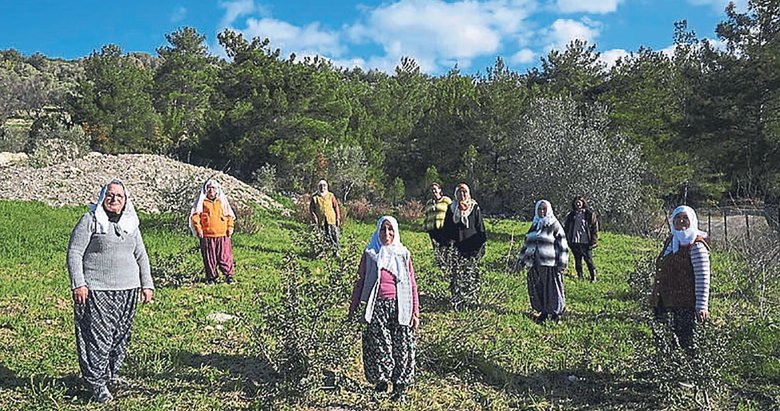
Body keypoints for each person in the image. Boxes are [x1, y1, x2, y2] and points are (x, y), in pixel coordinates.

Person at [66, 179, 154, 403]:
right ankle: (96, 384)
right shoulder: (90, 220)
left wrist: (147, 284)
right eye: (110, 195)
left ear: (125, 200)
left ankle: (110, 376)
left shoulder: (131, 223)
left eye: (119, 196)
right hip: (97, 290)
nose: (115, 199)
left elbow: (141, 255)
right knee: (98, 337)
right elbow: (74, 252)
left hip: (128, 289)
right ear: (102, 197)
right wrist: (78, 283)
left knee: (120, 337)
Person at [349, 216, 419, 402]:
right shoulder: (371, 254)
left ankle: (399, 388)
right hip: (376, 307)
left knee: (402, 347)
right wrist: (353, 309)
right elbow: (359, 282)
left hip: (401, 306)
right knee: (380, 347)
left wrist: (415, 312)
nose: (386, 233)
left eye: (390, 229)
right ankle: (381, 385)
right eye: (382, 229)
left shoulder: (403, 254)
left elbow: (412, 284)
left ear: (396, 232)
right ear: (377, 231)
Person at [650, 205, 710, 352]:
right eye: (678, 218)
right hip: (665, 301)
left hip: (685, 304)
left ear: (692, 221)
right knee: (663, 340)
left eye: (685, 218)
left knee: (684, 343)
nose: (681, 221)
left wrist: (702, 306)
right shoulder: (672, 240)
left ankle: (686, 365)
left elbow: (703, 277)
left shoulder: (696, 246)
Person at [516, 200, 568, 324]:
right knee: (538, 288)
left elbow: (563, 245)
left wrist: (562, 264)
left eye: (544, 209)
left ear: (549, 210)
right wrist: (521, 260)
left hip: (550, 264)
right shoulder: (534, 225)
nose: (542, 212)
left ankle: (555, 313)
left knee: (552, 289)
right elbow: (527, 244)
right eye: (539, 209)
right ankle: (543, 312)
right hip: (534, 263)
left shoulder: (554, 225)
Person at [442, 183, 487, 310]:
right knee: (456, 273)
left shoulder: (474, 207)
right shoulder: (451, 208)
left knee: (471, 272)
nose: (462, 195)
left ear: (468, 193)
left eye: (464, 192)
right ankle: (457, 299)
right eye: (459, 192)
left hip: (471, 247)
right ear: (456, 194)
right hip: (456, 247)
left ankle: (471, 299)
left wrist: (481, 245)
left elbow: (480, 227)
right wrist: (447, 246)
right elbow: (446, 228)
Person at [189, 179, 236, 285]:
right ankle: (211, 278)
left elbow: (229, 215)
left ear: (217, 190)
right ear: (205, 189)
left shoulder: (222, 201)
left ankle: (228, 276)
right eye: (209, 188)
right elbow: (195, 216)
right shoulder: (202, 202)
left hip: (222, 234)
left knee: (225, 256)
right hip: (207, 235)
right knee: (209, 258)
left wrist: (230, 227)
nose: (211, 190)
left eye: (213, 188)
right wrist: (198, 229)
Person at [563, 196, 599, 282]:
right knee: (577, 261)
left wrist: (594, 241)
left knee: (588, 260)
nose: (578, 204)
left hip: (586, 242)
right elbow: (567, 228)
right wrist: (566, 239)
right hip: (574, 241)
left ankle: (593, 276)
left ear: (583, 203)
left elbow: (594, 228)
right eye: (576, 202)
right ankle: (580, 277)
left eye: (579, 202)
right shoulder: (571, 215)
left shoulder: (589, 214)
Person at [309, 179, 342, 251]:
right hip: (321, 221)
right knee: (322, 236)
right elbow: (311, 209)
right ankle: (323, 252)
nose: (322, 188)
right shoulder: (315, 197)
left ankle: (335, 251)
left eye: (324, 186)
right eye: (320, 186)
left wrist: (338, 218)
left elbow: (336, 206)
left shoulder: (331, 195)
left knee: (334, 236)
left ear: (326, 187)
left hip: (331, 220)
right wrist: (314, 217)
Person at [423, 182, 452, 250]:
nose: (433, 191)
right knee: (436, 248)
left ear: (439, 190)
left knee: (445, 247)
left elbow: (452, 212)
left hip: (444, 229)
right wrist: (425, 226)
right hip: (432, 230)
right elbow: (426, 215)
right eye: (432, 190)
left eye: (435, 189)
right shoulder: (429, 203)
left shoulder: (446, 200)